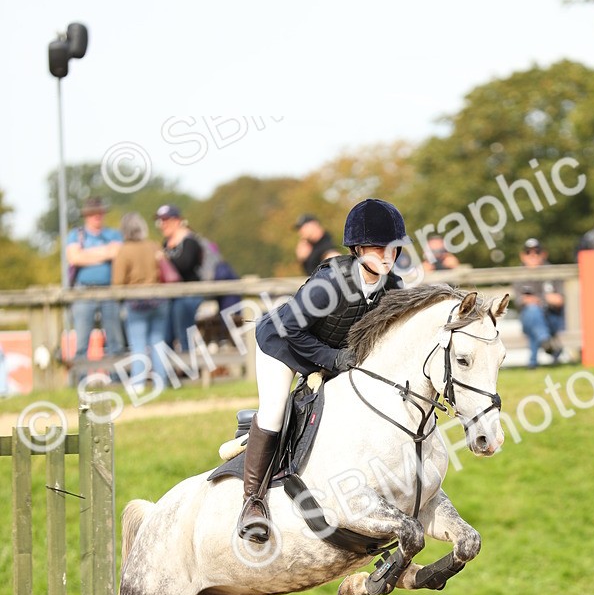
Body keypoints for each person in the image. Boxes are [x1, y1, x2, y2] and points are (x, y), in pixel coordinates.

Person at [239, 198, 408, 542]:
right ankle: (252, 502)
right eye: (379, 248)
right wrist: (332, 361)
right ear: (358, 248)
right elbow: (290, 329)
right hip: (282, 344)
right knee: (274, 412)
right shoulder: (330, 284)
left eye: (393, 248)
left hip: (328, 351)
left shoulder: (393, 287)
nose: (387, 256)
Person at [112, 213, 170, 388]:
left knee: (138, 344)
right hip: (159, 301)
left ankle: (138, 383)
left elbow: (117, 282)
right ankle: (162, 383)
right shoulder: (153, 246)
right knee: (158, 343)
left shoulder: (124, 250)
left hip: (136, 303)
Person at [65, 198, 125, 363]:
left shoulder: (113, 234)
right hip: (83, 291)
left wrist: (87, 254)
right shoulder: (76, 234)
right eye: (92, 213)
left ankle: (116, 379)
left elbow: (117, 253)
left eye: (99, 212)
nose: (96, 216)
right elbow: (75, 258)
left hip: (109, 290)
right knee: (82, 340)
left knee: (115, 340)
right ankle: (80, 381)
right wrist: (105, 253)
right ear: (86, 215)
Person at [154, 204, 204, 350]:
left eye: (166, 220)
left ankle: (189, 369)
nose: (162, 225)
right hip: (171, 296)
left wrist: (164, 259)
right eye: (160, 221)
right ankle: (169, 371)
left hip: (188, 294)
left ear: (177, 221)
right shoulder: (165, 243)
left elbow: (185, 265)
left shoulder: (189, 241)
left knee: (184, 334)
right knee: (166, 336)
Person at [516, 238, 567, 363]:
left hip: (551, 318)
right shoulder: (517, 274)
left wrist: (537, 299)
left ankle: (534, 360)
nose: (532, 255)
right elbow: (520, 300)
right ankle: (547, 344)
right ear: (522, 256)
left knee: (534, 313)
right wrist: (545, 299)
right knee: (533, 313)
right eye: (528, 252)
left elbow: (559, 300)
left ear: (543, 254)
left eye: (536, 252)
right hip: (531, 320)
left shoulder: (552, 272)